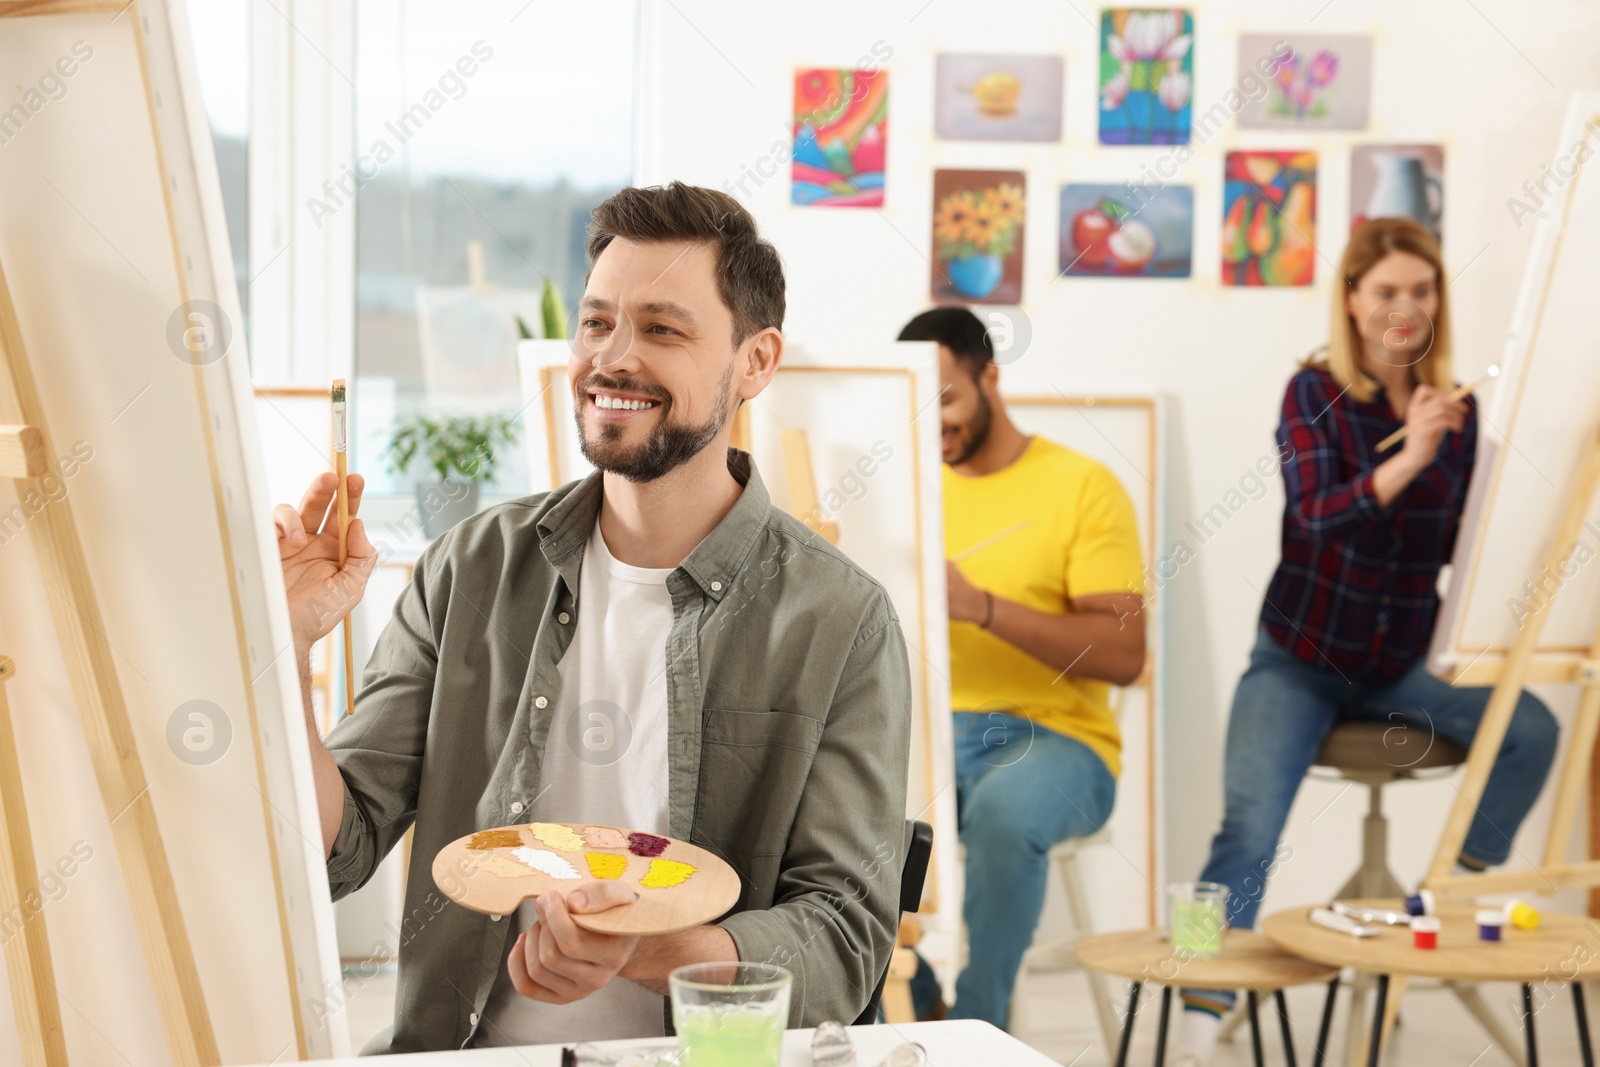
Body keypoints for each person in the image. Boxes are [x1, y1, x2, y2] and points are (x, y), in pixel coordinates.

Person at [274, 182, 913, 1052]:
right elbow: (336, 846)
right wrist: (286, 647)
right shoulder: (468, 568)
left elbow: (845, 937)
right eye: (596, 322)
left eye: (662, 328)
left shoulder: (841, 618)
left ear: (756, 362)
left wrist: (654, 951)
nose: (611, 359)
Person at [1171, 217, 1559, 1065]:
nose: (1404, 307)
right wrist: (1413, 455)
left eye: (1421, 290)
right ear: (1352, 301)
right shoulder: (1311, 393)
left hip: (1403, 665)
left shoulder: (1460, 411)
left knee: (1532, 728)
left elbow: (1472, 548)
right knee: (1244, 825)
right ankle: (1197, 1008)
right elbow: (1315, 521)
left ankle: (1446, 900)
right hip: (1299, 660)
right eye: (1386, 290)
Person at [895, 307, 1146, 1029]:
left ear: (990, 377)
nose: (933, 421)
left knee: (1003, 818)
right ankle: (907, 1013)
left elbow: (1126, 654)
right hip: (928, 738)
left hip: (1057, 739)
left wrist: (982, 608)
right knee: (840, 815)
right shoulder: (906, 486)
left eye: (946, 397)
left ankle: (975, 1030)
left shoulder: (1081, 485)